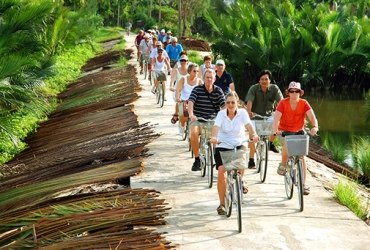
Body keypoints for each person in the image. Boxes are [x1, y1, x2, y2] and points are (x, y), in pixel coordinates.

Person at [210, 91, 259, 215]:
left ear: (237, 103)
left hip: (238, 142)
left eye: (233, 102)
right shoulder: (221, 114)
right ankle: (222, 204)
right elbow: (216, 128)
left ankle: (241, 180)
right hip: (223, 144)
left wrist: (253, 135)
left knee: (242, 160)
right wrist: (214, 138)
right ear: (225, 104)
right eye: (228, 103)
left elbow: (249, 126)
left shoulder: (242, 113)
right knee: (222, 173)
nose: (230, 105)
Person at [272, 81, 319, 196]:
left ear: (300, 92)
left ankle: (303, 184)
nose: (294, 93)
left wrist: (315, 127)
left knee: (302, 157)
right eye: (291, 91)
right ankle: (283, 164)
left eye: (296, 91)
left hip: (298, 132)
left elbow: (312, 116)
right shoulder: (283, 103)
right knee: (287, 144)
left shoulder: (304, 103)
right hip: (284, 132)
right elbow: (276, 118)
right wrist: (275, 130)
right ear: (288, 92)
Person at [188, 69, 226, 171]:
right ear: (203, 78)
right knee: (194, 133)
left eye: (211, 77)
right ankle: (197, 159)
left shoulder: (218, 91)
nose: (209, 79)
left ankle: (216, 156)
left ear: (214, 79)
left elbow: (224, 106)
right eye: (207, 77)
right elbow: (191, 102)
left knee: (220, 136)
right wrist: (191, 115)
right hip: (198, 118)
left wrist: (226, 117)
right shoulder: (197, 89)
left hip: (213, 120)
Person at [244, 69, 283, 168]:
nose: (264, 81)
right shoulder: (254, 88)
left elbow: (281, 102)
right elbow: (249, 101)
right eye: (262, 79)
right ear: (259, 80)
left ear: (270, 80)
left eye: (266, 79)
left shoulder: (274, 89)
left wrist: (283, 113)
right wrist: (248, 112)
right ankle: (251, 159)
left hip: (269, 116)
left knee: (278, 125)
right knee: (253, 136)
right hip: (255, 116)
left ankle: (270, 142)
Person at [175, 63, 203, 135]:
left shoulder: (199, 81)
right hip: (184, 100)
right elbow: (178, 90)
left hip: (195, 102)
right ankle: (182, 125)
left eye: (197, 71)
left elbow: (203, 92)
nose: (196, 73)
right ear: (189, 71)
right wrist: (178, 98)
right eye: (194, 71)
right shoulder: (183, 79)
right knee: (183, 115)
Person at [170, 54, 190, 125]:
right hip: (178, 89)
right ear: (180, 62)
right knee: (179, 101)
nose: (183, 62)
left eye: (185, 60)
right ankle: (176, 114)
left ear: (187, 61)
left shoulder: (190, 70)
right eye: (182, 60)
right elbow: (173, 78)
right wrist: (171, 86)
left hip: (187, 89)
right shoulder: (176, 70)